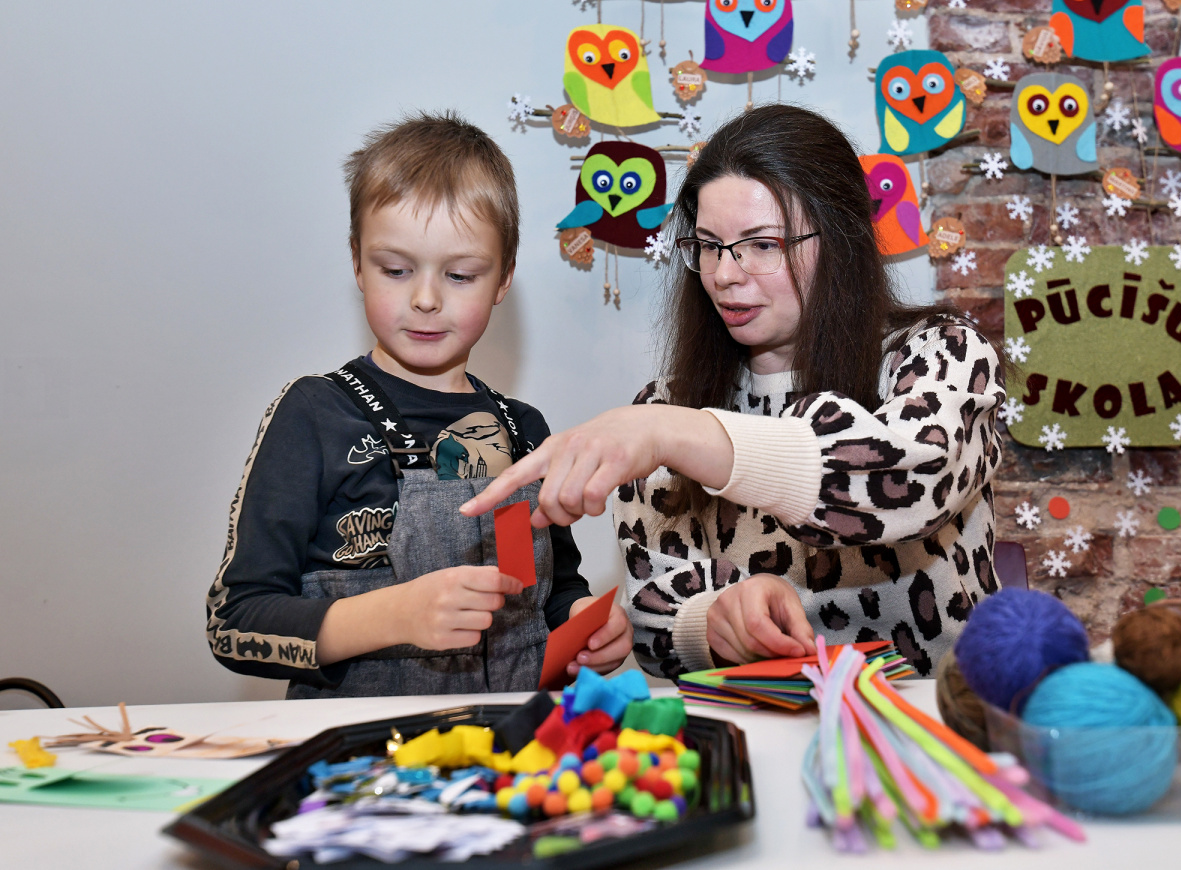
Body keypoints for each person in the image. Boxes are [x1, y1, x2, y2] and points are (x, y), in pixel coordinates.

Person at [463, 104, 1005, 680]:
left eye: (762, 244)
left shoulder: (943, 354)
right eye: (709, 245)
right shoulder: (663, 408)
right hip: (755, 720)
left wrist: (675, 433)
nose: (723, 274)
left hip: (931, 712)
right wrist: (715, 625)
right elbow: (654, 622)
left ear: (842, 239)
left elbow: (912, 475)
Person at [206, 112, 632, 698]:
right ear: (358, 263)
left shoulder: (523, 430)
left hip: (506, 741)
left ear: (503, 279)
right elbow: (233, 624)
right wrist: (394, 615)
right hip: (362, 747)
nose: (426, 299)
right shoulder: (313, 415)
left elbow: (549, 591)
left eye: (460, 275)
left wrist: (583, 624)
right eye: (396, 270)